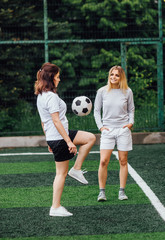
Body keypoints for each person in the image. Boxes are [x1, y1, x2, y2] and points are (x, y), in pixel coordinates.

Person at [35, 62, 96, 217]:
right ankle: (55, 207)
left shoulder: (42, 96)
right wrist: (68, 141)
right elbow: (56, 121)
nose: (59, 79)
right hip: (60, 137)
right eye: (57, 76)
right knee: (60, 174)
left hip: (55, 136)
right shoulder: (51, 97)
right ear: (51, 78)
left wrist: (49, 140)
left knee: (90, 138)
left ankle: (76, 169)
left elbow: (44, 121)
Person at [94, 66, 135, 201]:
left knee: (123, 161)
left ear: (121, 77)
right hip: (107, 130)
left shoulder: (127, 92)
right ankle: (102, 192)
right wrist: (101, 127)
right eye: (112, 74)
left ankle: (121, 191)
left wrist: (130, 124)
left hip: (123, 129)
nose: (113, 77)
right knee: (103, 161)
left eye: (117, 75)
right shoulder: (102, 91)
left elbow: (131, 110)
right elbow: (96, 111)